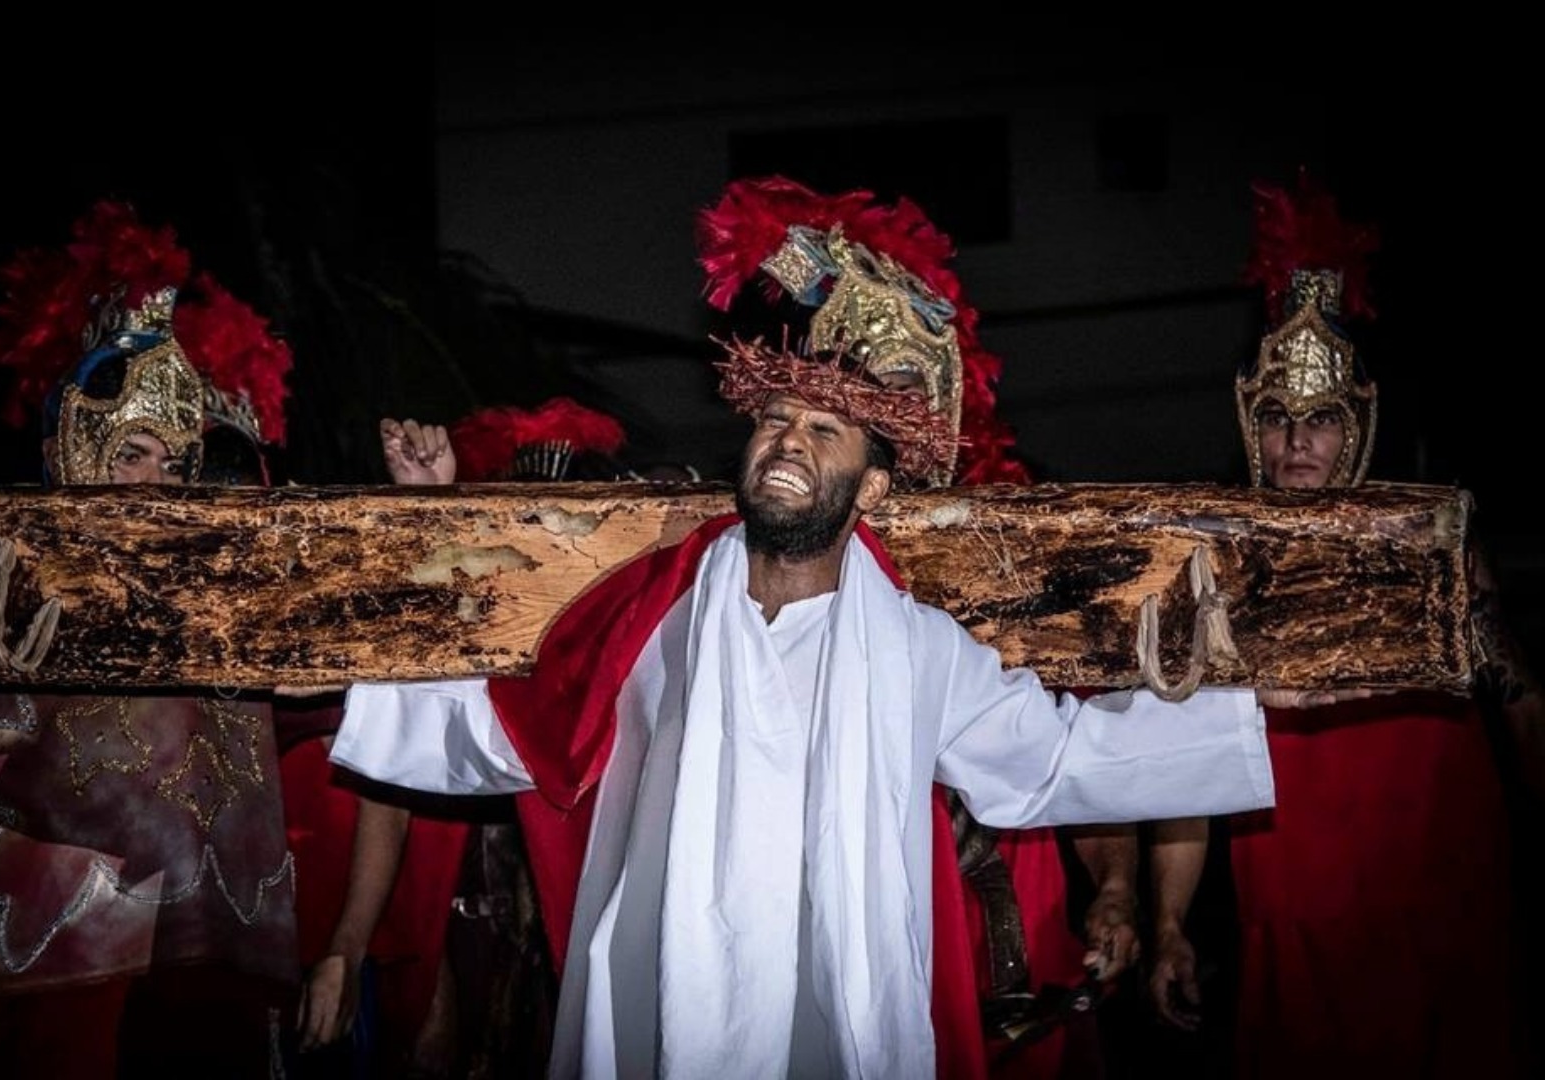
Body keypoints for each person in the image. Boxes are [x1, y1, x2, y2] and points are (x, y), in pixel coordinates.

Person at [327, 185, 1348, 1080]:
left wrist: (1238, 703)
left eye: (823, 431)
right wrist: (349, 641)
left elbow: (1053, 764)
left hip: (839, 1007)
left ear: (870, 483)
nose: (785, 440)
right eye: (772, 419)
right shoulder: (652, 612)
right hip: (669, 994)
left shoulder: (916, 646)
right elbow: (509, 730)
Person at [694, 174, 1140, 1079]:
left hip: (973, 884)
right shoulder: (727, 579)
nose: (832, 426)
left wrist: (1121, 891)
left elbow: (1063, 746)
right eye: (798, 417)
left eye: (879, 404)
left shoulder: (1000, 565)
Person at [1139, 171, 1539, 1078]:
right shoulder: (1215, 572)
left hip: (1446, 903)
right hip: (1293, 917)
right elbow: (1185, 772)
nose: (1297, 443)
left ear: (1358, 423)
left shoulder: (1439, 553)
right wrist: (1165, 926)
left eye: (1320, 419)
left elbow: (1521, 701)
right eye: (1278, 417)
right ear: (1251, 423)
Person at [0, 199, 300, 1079]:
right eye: (135, 450)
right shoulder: (9, 578)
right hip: (75, 962)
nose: (158, 481)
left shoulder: (221, 588)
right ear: (77, 447)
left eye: (178, 463)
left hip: (215, 959)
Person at [296, 397, 626, 1078]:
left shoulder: (625, 653)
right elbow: (394, 766)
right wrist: (349, 947)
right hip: (454, 937)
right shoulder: (472, 634)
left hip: (577, 950)